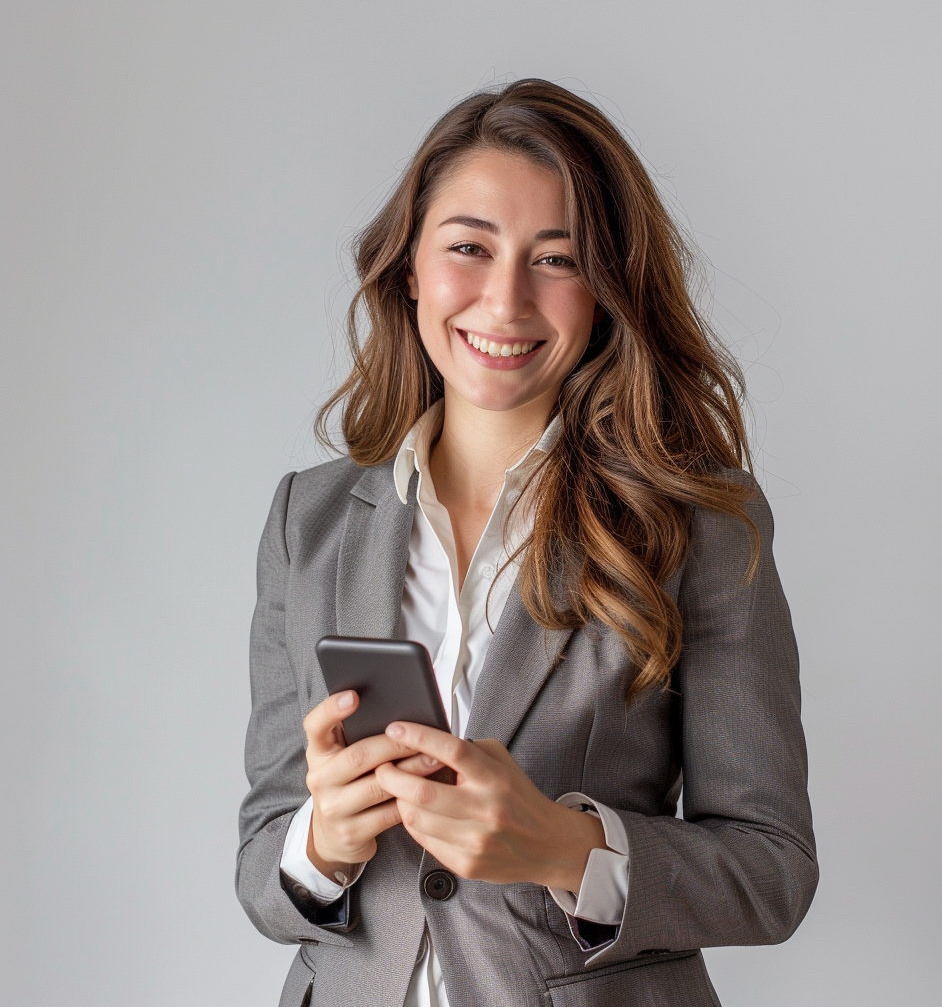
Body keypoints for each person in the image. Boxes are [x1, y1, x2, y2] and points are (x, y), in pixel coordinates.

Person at [236, 78, 817, 1007]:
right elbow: (265, 861)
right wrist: (323, 843)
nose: (504, 301)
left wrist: (563, 847)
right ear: (409, 268)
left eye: (558, 258)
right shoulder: (306, 522)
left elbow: (772, 871)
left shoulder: (702, 524)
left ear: (605, 293)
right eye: (469, 247)